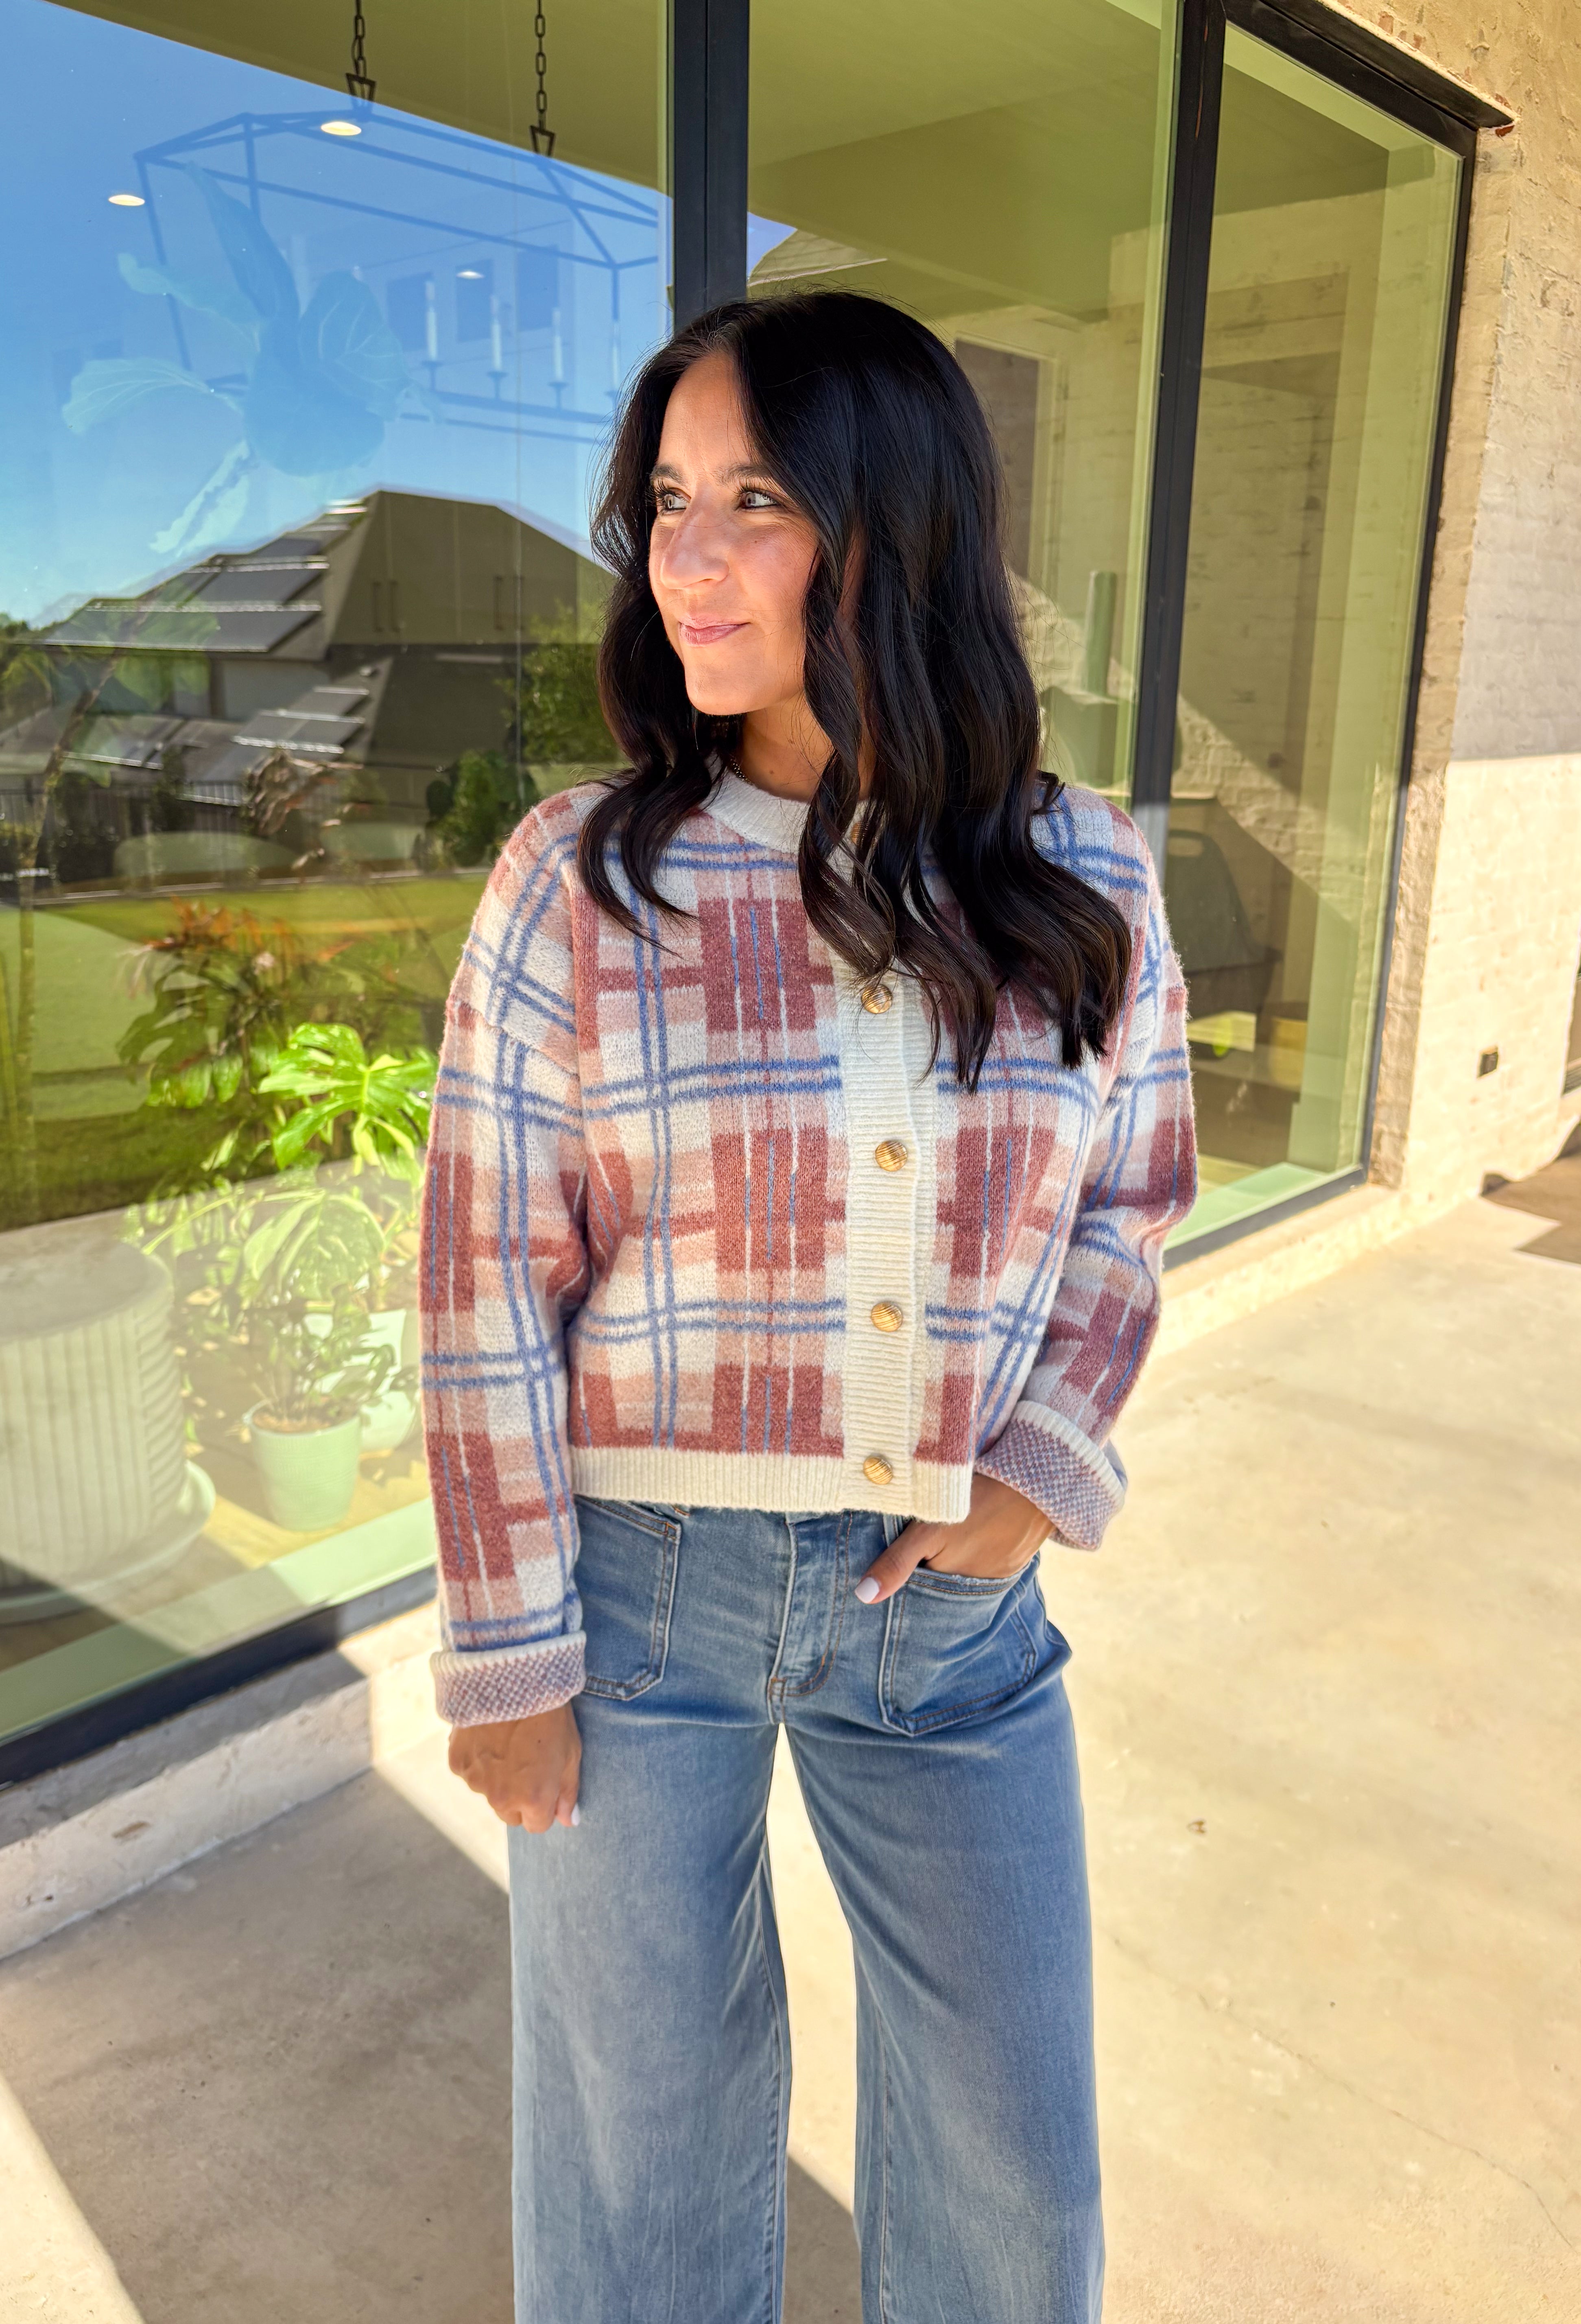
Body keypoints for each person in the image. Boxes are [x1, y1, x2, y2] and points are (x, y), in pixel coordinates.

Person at [421, 289, 1196, 2324]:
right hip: (637, 1612)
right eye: (663, 503)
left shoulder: (1083, 876)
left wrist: (1038, 1471)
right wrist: (504, 1651)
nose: (683, 557)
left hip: (953, 1620)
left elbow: (1133, 1195)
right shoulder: (579, 881)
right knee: (640, 2180)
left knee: (1017, 2191)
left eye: (750, 500)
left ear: (891, 522)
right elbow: (486, 1279)